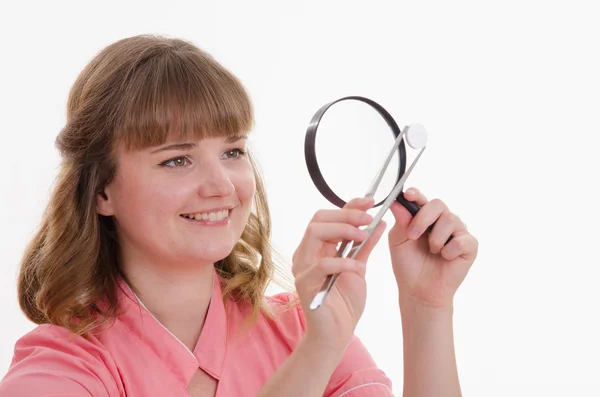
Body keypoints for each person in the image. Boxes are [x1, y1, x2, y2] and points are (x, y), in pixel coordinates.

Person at [0, 34, 478, 397]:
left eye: (232, 151)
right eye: (177, 160)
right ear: (102, 190)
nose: (223, 186)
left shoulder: (301, 326)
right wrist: (317, 353)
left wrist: (426, 308)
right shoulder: (62, 368)